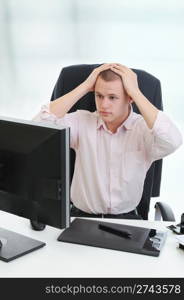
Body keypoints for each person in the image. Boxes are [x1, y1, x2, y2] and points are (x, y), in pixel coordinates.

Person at [33, 63, 183, 219]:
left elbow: (173, 140)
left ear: (129, 97)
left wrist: (136, 92)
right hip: (82, 219)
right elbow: (38, 128)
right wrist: (85, 86)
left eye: (112, 97)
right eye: (99, 96)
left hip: (128, 221)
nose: (103, 105)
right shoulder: (82, 121)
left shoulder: (143, 129)